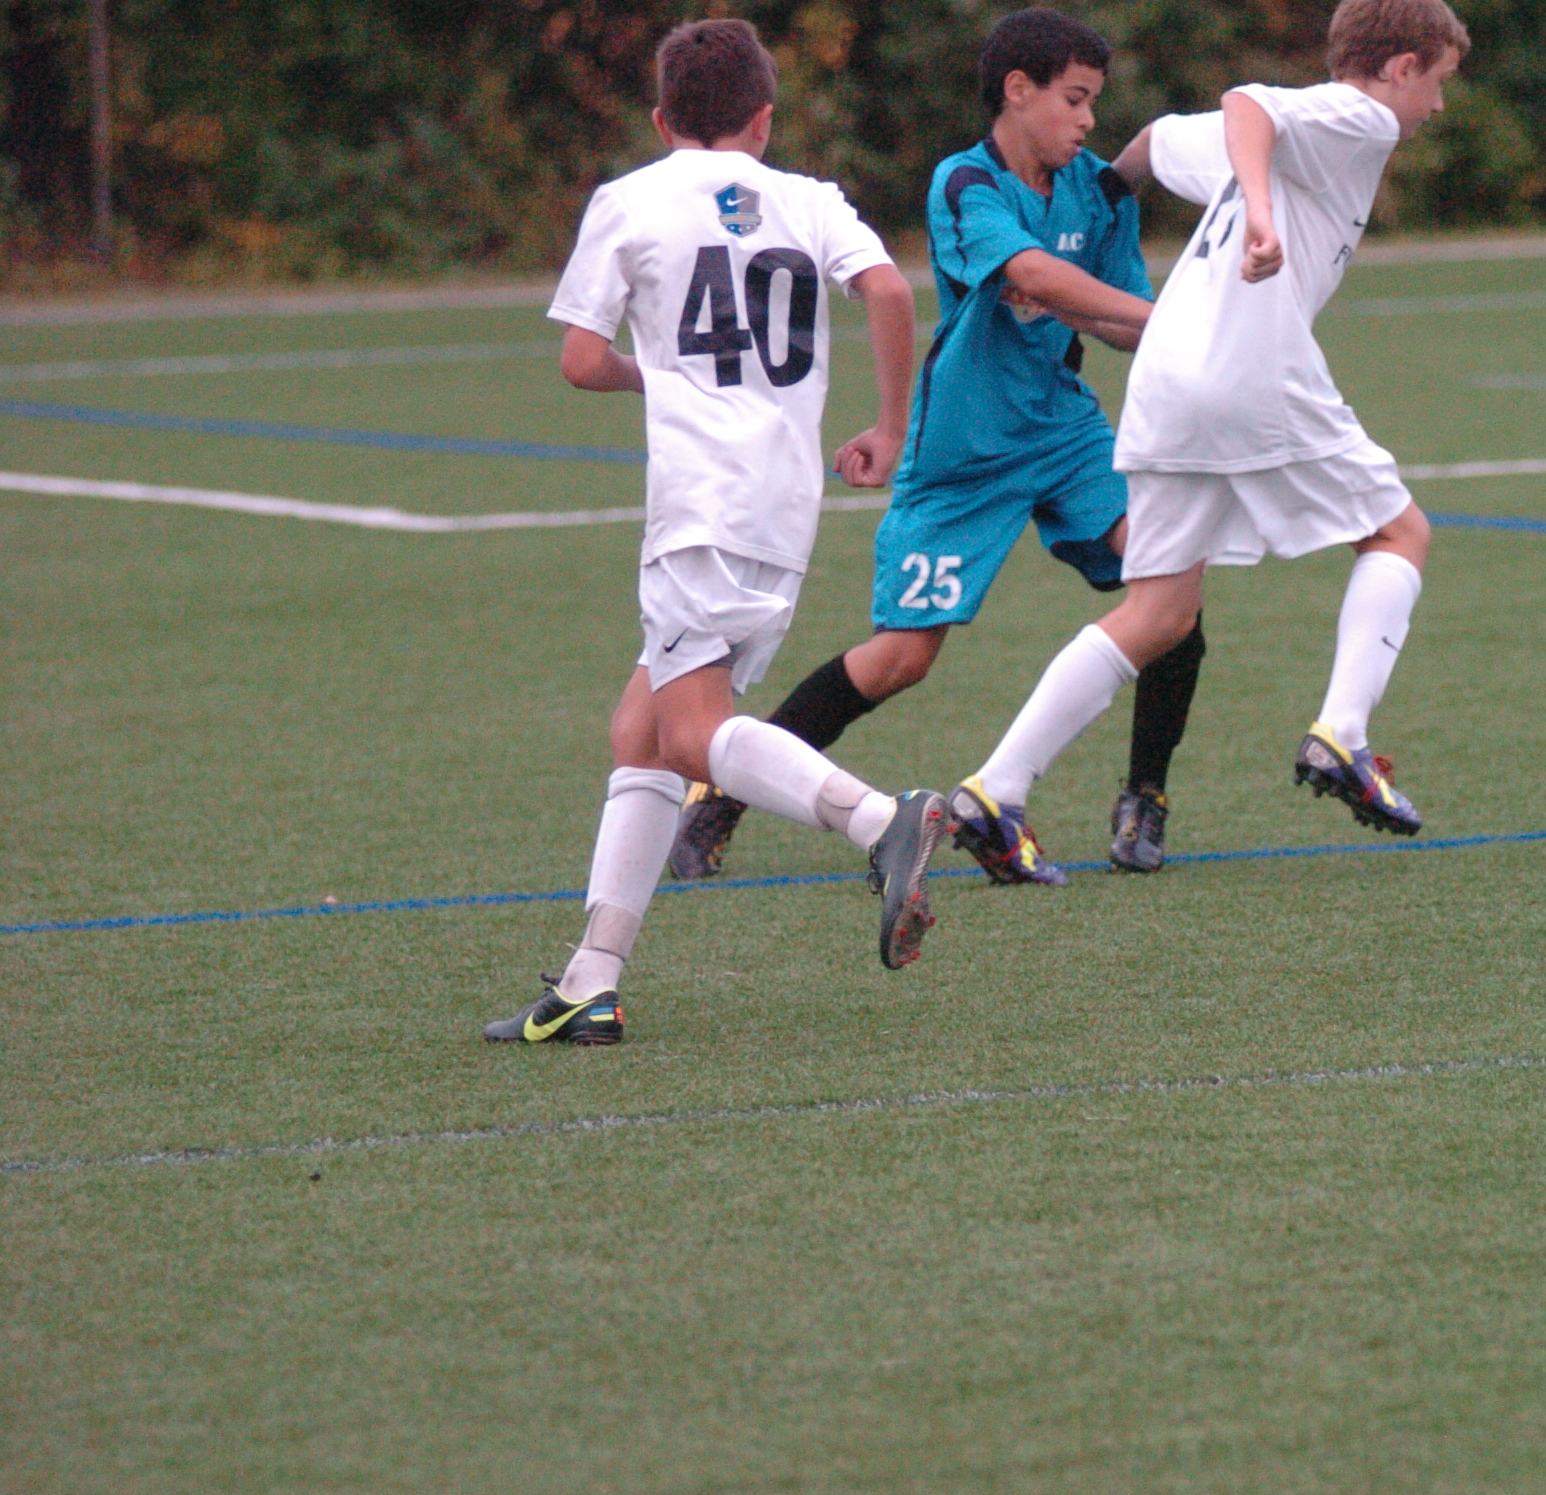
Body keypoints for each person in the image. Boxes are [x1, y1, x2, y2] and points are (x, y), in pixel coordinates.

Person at [485, 18, 945, 1046]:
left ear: (661, 121)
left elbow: (580, 360)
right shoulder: (810, 199)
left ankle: (883, 822)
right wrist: (889, 427)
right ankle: (591, 982)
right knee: (643, 732)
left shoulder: (631, 200)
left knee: (692, 735)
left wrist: (657, 378)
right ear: (764, 119)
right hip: (782, 501)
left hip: (699, 503)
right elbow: (886, 288)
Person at [668, 9, 1205, 887]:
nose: (1088, 121)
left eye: (1094, 104)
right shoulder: (964, 182)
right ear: (1017, 90)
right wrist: (1168, 319)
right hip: (963, 454)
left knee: (1172, 591)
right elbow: (1030, 275)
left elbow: (1118, 322)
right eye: (1074, 100)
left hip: (1066, 434)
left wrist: (1196, 332)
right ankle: (722, 794)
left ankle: (1143, 799)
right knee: (900, 660)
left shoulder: (1098, 192)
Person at [945, 0, 1469, 872]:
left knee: (1157, 615)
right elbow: (1247, 102)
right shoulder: (1362, 115)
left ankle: (996, 790)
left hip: (1167, 378)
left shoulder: (1299, 130)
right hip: (1248, 368)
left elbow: (1155, 141)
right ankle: (1342, 734)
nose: (1439, 105)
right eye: (1440, 81)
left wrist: (1109, 191)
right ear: (1403, 67)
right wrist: (1260, 211)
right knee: (1399, 532)